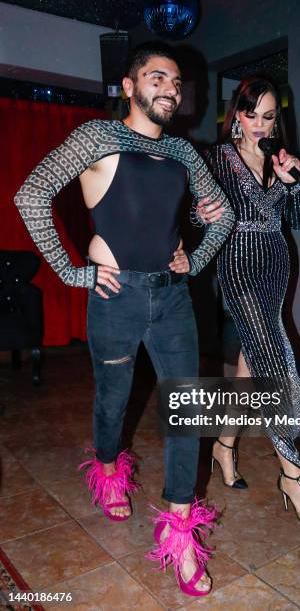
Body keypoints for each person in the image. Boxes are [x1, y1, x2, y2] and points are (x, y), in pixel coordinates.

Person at [14, 42, 235, 596]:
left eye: (178, 81)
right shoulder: (97, 137)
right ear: (130, 86)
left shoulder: (186, 153)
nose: (172, 88)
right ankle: (109, 471)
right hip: (115, 297)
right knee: (112, 401)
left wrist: (196, 253)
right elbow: (31, 194)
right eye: (158, 77)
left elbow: (222, 212)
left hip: (173, 299)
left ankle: (181, 535)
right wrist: (72, 271)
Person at [198, 76, 300, 524]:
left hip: (276, 265)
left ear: (278, 119)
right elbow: (198, 219)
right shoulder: (217, 158)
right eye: (251, 113)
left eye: (269, 116)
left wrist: (293, 183)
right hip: (237, 263)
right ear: (236, 114)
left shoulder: (281, 158)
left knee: (250, 363)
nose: (260, 123)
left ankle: (223, 445)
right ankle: (292, 475)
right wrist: (199, 215)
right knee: (277, 358)